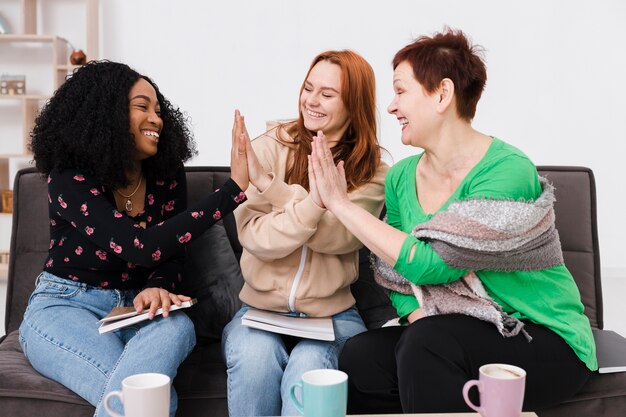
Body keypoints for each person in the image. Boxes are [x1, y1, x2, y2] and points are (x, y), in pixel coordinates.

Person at [309, 29, 596, 413]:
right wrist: (415, 314)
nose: (391, 107)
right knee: (362, 357)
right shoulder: (400, 177)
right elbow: (392, 271)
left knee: (426, 341)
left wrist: (341, 205)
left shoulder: (508, 171)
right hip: (452, 331)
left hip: (543, 338)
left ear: (442, 94)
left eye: (401, 91)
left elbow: (431, 266)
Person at [19, 60, 252, 417]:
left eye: (158, 110)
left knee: (177, 327)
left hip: (139, 309)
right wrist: (231, 192)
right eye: (142, 106)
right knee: (152, 399)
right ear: (106, 113)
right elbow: (142, 247)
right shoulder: (69, 177)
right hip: (65, 305)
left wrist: (157, 284)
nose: (156, 119)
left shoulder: (166, 175)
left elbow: (171, 251)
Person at [221, 50, 388, 417]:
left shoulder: (374, 168)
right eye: (308, 88)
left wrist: (271, 187)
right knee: (254, 361)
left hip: (332, 316)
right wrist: (316, 204)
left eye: (327, 94)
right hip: (259, 309)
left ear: (353, 104)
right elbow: (256, 238)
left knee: (308, 371)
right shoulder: (267, 147)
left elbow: (341, 237)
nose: (311, 100)